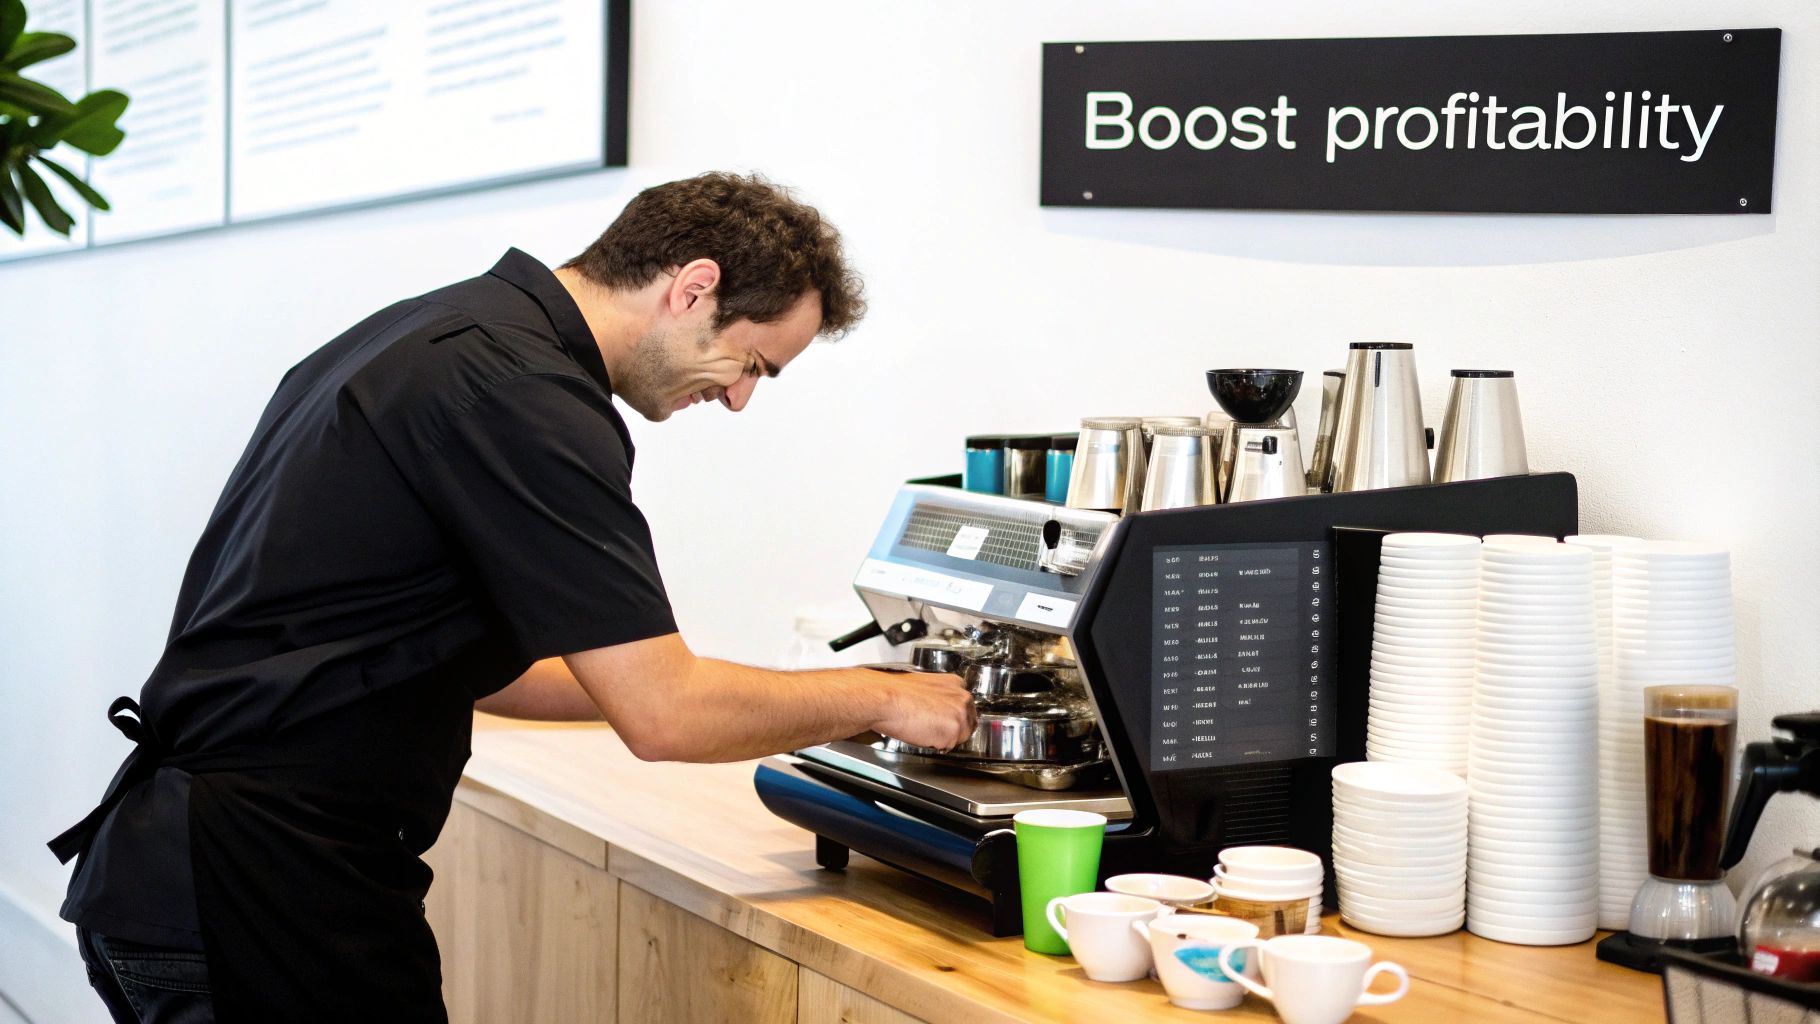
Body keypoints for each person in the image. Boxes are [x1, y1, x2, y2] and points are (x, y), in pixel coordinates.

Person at [50, 172, 977, 1024]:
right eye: (751, 364)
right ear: (693, 287)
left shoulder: (437, 333)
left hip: (191, 866)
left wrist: (785, 705)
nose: (738, 400)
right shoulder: (526, 394)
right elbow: (664, 715)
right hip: (260, 887)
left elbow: (486, 674)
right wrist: (879, 695)